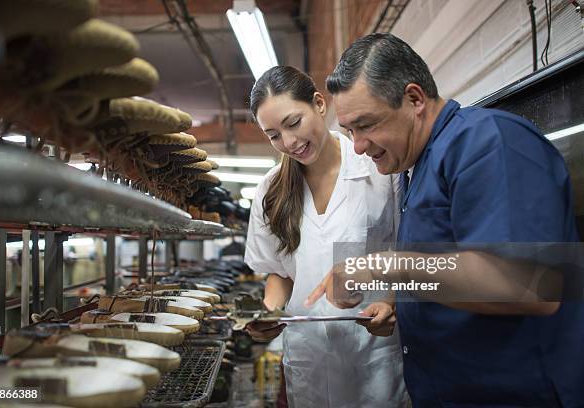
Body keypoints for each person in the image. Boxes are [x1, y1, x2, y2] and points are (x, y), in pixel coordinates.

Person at [306, 33, 584, 407]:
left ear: (414, 99)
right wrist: (394, 302)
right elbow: (445, 271)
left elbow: (533, 285)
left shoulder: (487, 141)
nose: (357, 145)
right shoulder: (415, 168)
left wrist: (383, 266)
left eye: (366, 125)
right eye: (349, 131)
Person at [244, 65, 409, 407]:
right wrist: (268, 313)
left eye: (293, 123)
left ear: (319, 104)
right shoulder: (270, 190)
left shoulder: (379, 169)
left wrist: (391, 302)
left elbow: (406, 253)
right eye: (273, 135)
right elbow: (280, 272)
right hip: (309, 357)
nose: (288, 142)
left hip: (372, 352)